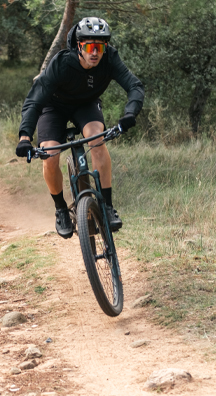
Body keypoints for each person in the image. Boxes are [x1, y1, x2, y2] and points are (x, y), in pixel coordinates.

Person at [15, 17, 144, 239]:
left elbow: (135, 86)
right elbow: (34, 101)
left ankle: (108, 206)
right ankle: (61, 209)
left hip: (86, 105)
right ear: (79, 46)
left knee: (97, 139)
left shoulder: (109, 59)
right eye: (90, 47)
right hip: (53, 108)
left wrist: (130, 115)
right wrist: (25, 137)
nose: (95, 52)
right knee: (50, 154)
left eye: (100, 47)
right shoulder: (62, 63)